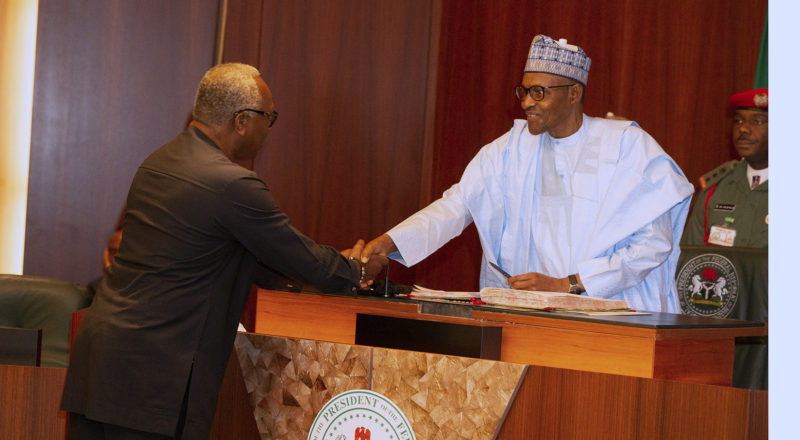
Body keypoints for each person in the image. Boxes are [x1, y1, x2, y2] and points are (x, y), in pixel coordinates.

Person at [61, 63, 385, 439]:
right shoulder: (232, 185)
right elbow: (301, 258)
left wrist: (331, 269)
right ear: (242, 120)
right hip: (153, 382)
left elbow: (238, 256)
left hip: (100, 364)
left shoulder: (157, 163)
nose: (269, 127)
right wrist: (356, 270)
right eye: (269, 116)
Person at [361, 34, 694, 313]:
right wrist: (387, 244)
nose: (526, 103)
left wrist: (571, 284)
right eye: (524, 91)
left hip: (617, 316)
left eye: (540, 92)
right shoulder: (511, 149)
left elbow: (653, 244)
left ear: (574, 94)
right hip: (535, 314)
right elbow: (456, 206)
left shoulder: (626, 145)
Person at [681, 88, 768, 248]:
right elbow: (690, 261)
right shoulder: (715, 189)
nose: (743, 129)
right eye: (738, 121)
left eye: (757, 121)